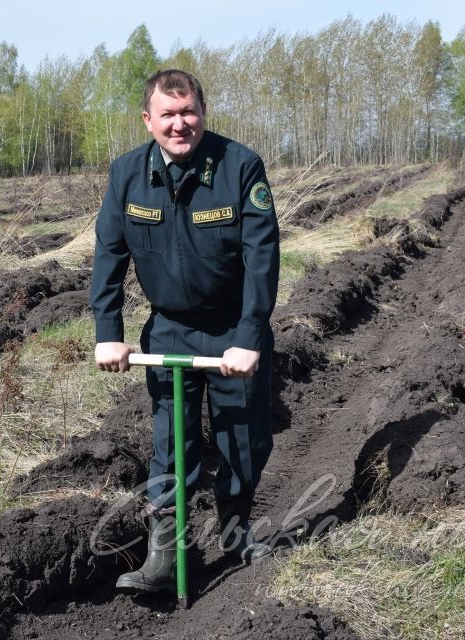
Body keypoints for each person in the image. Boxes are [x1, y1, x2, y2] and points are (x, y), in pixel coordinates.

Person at [90, 69, 280, 594]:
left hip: (232, 329)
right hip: (169, 328)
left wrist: (249, 336)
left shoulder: (240, 167)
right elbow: (108, 254)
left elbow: (262, 260)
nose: (180, 124)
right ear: (148, 120)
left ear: (203, 112)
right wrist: (109, 330)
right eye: (168, 115)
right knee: (171, 445)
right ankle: (166, 555)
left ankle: (237, 534)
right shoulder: (126, 174)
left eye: (188, 111)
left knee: (242, 441)